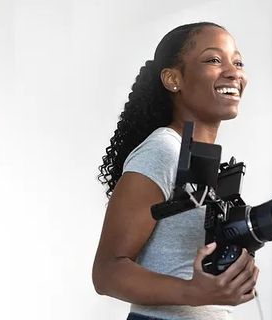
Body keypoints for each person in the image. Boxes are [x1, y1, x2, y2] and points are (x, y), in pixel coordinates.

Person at [93, 22, 259, 320]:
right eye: (213, 60)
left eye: (237, 61)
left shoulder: (201, 161)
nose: (233, 72)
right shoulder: (162, 151)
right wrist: (194, 293)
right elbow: (107, 271)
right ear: (173, 79)